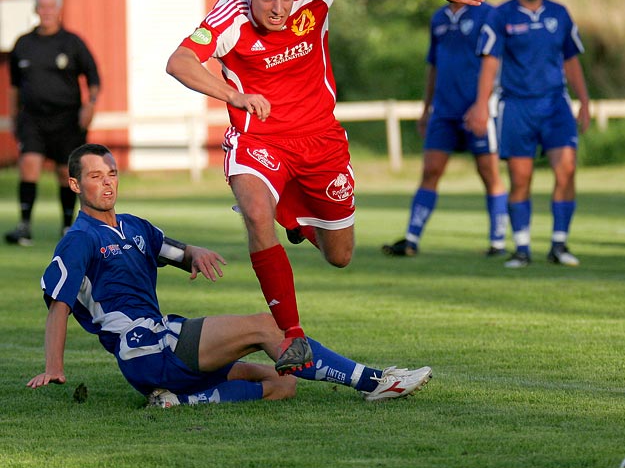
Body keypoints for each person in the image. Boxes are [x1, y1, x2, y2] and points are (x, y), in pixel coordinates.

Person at [165, 0, 485, 374]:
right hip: (259, 138)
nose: (278, 10)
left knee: (340, 255)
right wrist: (234, 94)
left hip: (320, 141)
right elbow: (179, 61)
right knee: (258, 213)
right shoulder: (230, 14)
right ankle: (292, 333)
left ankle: (296, 222)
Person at [26, 144, 433, 407]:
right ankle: (374, 381)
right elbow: (59, 305)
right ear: (76, 184)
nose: (107, 183)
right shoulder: (78, 239)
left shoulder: (135, 226)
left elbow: (175, 252)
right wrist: (54, 366)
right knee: (266, 326)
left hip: (164, 343)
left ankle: (176, 402)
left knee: (281, 383)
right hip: (145, 348)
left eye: (111, 173)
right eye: (96, 177)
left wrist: (195, 254)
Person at [466, 0, 591, 269]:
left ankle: (559, 245)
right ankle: (521, 248)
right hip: (517, 107)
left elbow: (571, 61)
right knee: (521, 179)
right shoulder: (502, 15)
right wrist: (481, 106)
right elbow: (489, 63)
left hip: (555, 106)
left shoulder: (559, 14)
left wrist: (585, 102)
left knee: (567, 170)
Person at [382, 0, 508, 258]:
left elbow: (495, 63)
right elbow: (433, 67)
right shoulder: (438, 19)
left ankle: (499, 242)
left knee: (488, 172)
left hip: (477, 110)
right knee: (431, 171)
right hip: (444, 110)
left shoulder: (487, 15)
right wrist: (427, 109)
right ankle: (411, 240)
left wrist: (482, 105)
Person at [5, 0, 101, 246]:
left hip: (67, 118)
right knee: (29, 164)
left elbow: (93, 77)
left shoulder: (72, 42)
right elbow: (14, 85)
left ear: (59, 9)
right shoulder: (23, 44)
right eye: (42, 6)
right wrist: (13, 116)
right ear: (36, 9)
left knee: (64, 171)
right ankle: (24, 225)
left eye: (51, 6)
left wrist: (90, 105)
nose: (46, 11)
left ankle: (67, 226)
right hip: (32, 118)